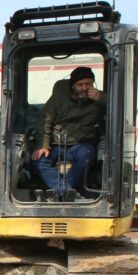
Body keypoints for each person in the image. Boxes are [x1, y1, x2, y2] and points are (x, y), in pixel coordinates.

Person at [32, 66, 106, 198]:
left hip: (81, 144)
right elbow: (45, 120)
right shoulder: (59, 97)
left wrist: (101, 98)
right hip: (56, 143)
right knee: (38, 160)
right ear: (73, 86)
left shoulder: (99, 99)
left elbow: (118, 110)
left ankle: (61, 192)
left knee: (86, 156)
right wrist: (44, 145)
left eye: (88, 84)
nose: (84, 88)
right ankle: (65, 191)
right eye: (80, 84)